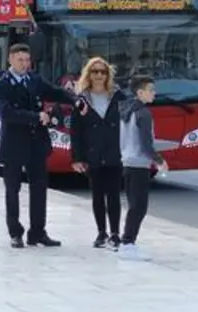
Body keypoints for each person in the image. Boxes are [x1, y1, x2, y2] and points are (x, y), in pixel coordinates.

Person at [0, 42, 75, 248]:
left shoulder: (35, 80)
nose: (24, 64)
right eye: (20, 59)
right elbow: (7, 113)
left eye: (27, 60)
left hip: (37, 143)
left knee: (39, 189)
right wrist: (36, 116)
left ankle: (38, 231)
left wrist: (77, 99)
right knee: (13, 189)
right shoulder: (1, 85)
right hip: (14, 145)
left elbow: (55, 92)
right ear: (10, 59)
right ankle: (15, 232)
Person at [70, 57, 124, 250]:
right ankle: (102, 232)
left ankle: (116, 233)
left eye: (103, 72)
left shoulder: (118, 97)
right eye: (95, 72)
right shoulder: (81, 100)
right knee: (97, 195)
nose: (99, 75)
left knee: (114, 195)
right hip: (93, 153)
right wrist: (76, 158)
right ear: (88, 75)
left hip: (114, 152)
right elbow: (75, 130)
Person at [116, 75, 166, 261]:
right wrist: (159, 160)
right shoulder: (143, 113)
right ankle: (127, 243)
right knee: (139, 207)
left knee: (133, 206)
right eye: (150, 90)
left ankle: (128, 242)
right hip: (138, 165)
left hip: (127, 162)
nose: (154, 93)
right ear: (140, 92)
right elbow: (146, 143)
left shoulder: (125, 109)